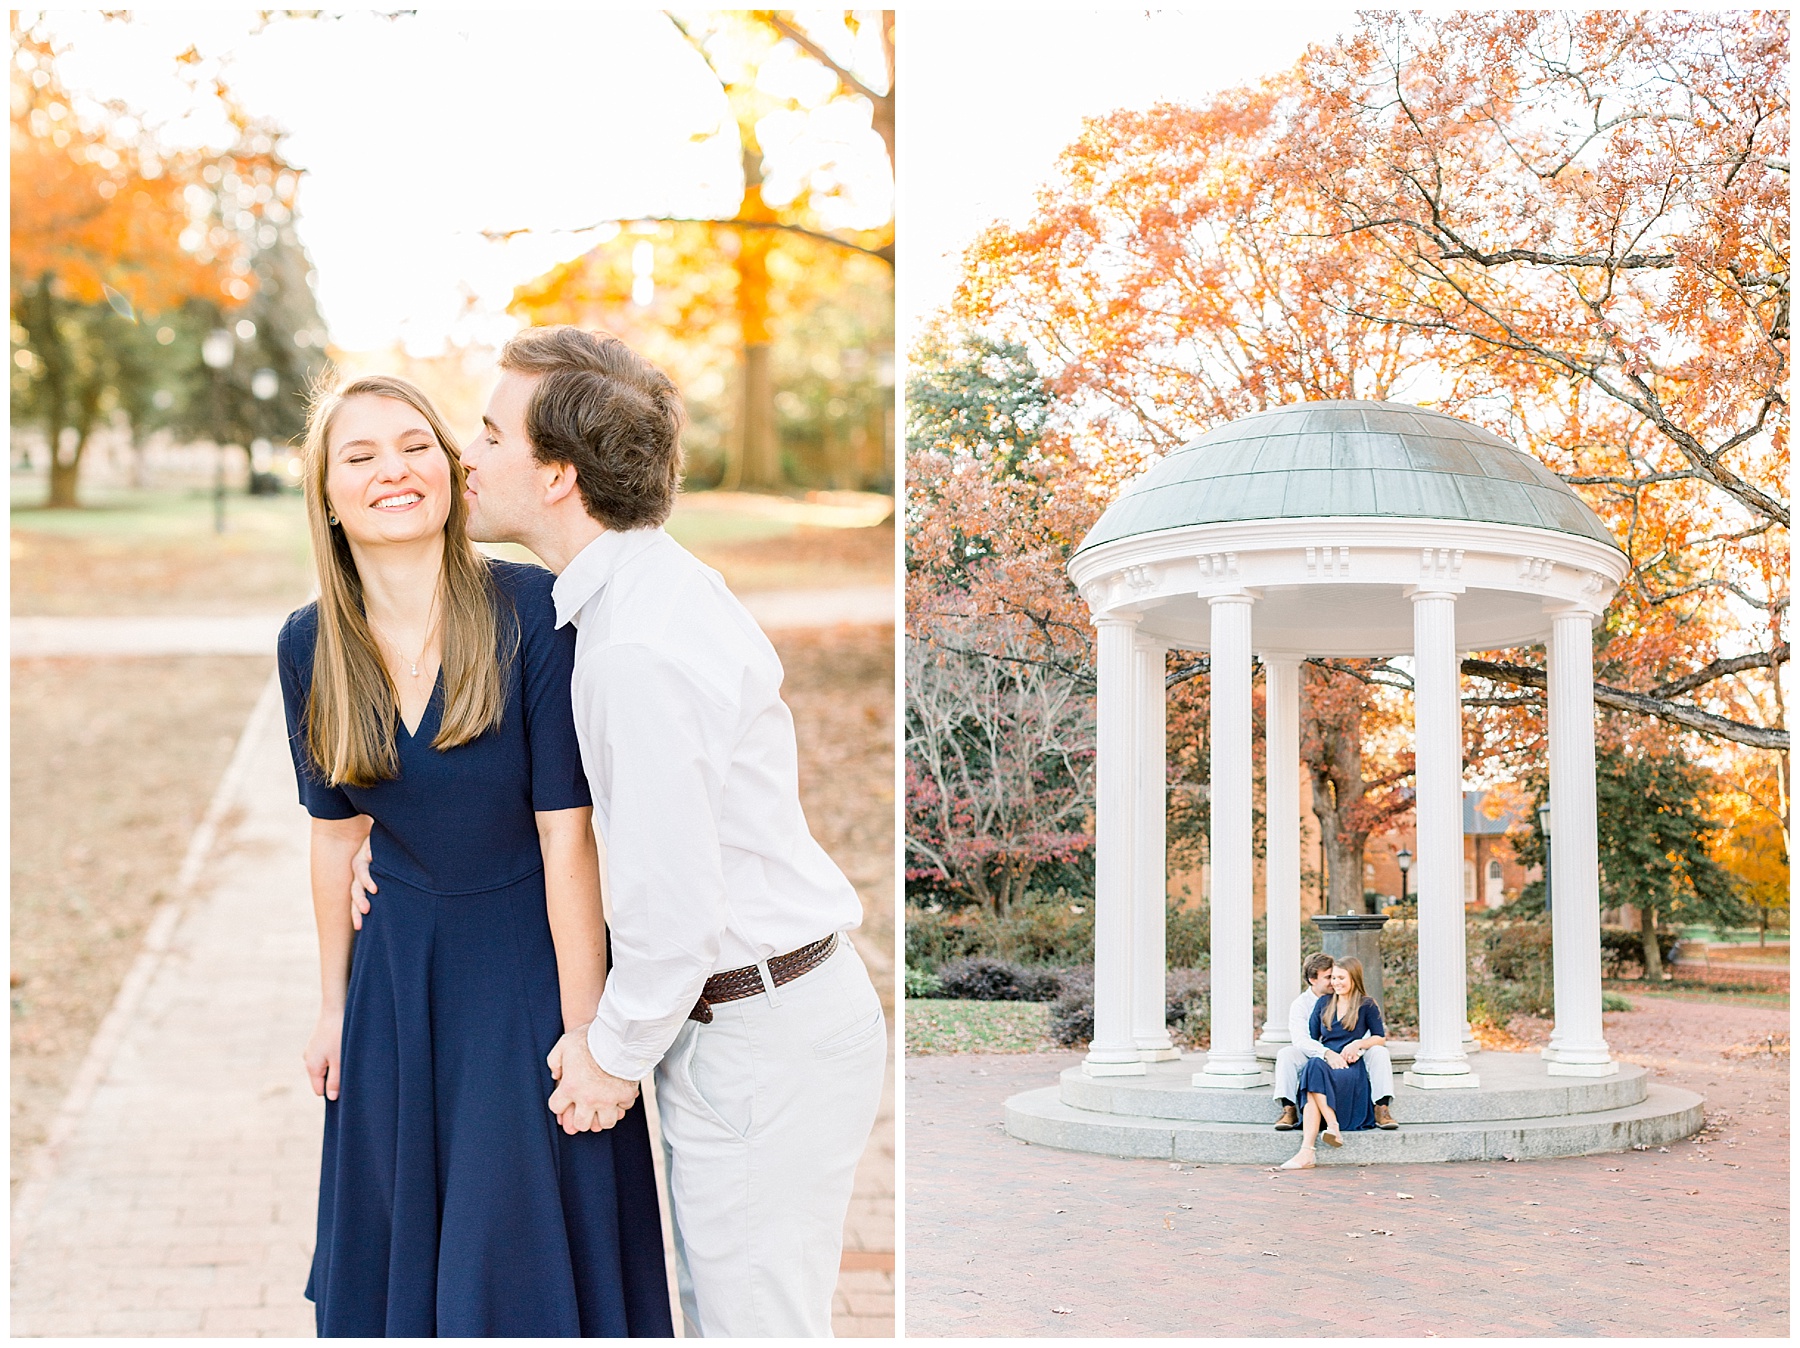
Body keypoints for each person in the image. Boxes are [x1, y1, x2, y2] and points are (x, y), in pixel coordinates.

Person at [352, 327, 886, 1337]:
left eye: (490, 432)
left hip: (760, 1038)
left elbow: (675, 912)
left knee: (754, 1326)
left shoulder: (635, 648)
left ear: (556, 474)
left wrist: (609, 1055)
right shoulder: (633, 595)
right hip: (753, 1024)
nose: (465, 453)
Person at [277, 375, 672, 1337]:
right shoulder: (308, 645)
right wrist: (334, 1007)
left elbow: (564, 832)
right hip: (397, 988)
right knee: (407, 1272)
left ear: (452, 468)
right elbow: (334, 844)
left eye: (415, 445)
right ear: (327, 494)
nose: (393, 473)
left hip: (526, 970)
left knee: (520, 1254)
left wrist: (586, 1031)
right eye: (359, 457)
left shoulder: (530, 611)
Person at [1279, 957, 1388, 1170]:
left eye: (1340, 977)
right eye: (1332, 978)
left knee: (1313, 1077)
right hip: (1327, 1060)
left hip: (1350, 1064)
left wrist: (1358, 1044)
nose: (1335, 983)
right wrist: (1327, 1054)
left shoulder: (1366, 1004)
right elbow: (1310, 1038)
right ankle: (1330, 1127)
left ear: (1353, 978)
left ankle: (1309, 1150)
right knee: (1313, 1067)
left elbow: (1379, 1037)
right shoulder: (1322, 1003)